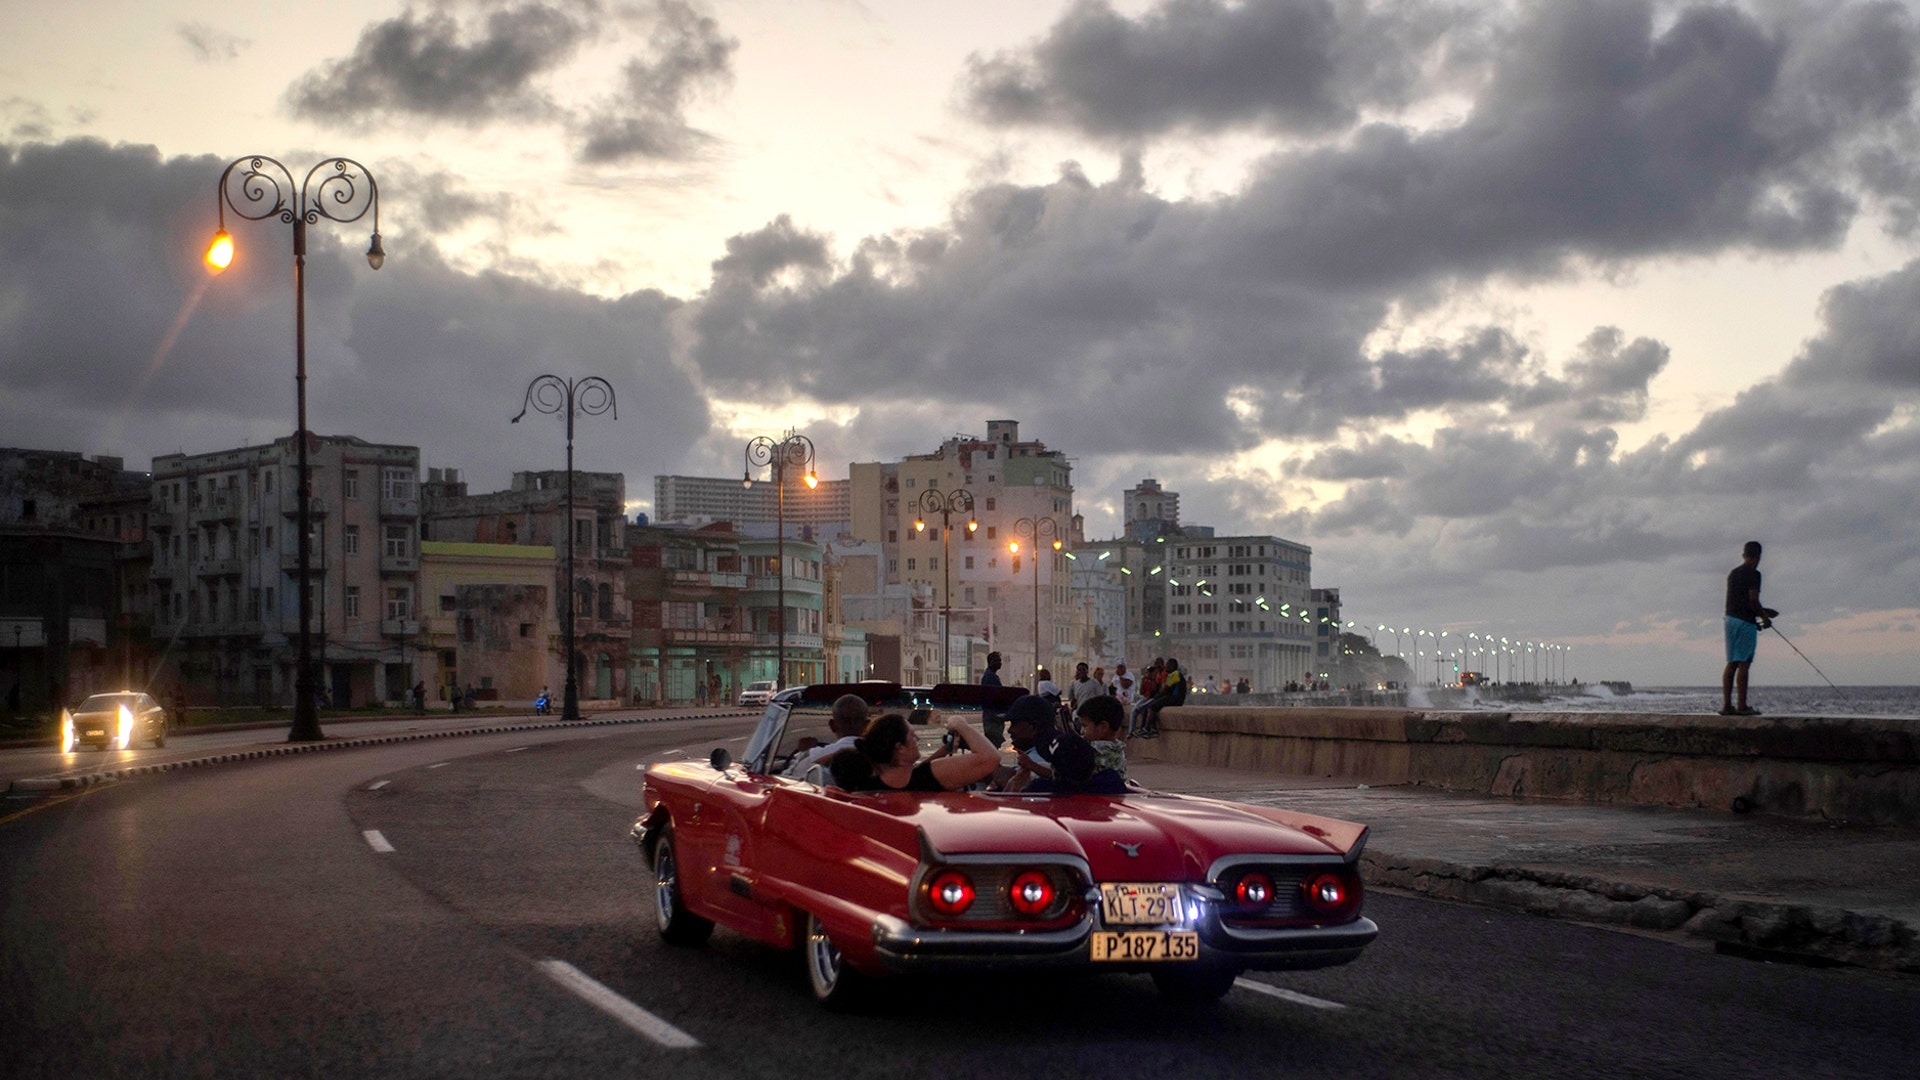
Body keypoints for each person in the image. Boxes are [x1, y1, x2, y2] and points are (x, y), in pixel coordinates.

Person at [833, 712, 1001, 792]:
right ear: (900, 747)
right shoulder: (929, 777)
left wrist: (944, 751)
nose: (918, 740)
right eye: (912, 736)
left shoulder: (864, 787)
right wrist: (959, 724)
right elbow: (990, 758)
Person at [1723, 540, 1779, 717]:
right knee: (1744, 663)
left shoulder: (1733, 573)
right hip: (1745, 623)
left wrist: (1764, 612)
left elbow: (1741, 601)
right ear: (1758, 556)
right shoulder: (1754, 574)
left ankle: (1726, 706)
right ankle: (1742, 706)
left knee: (1732, 663)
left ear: (1743, 555)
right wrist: (1764, 618)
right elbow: (1753, 600)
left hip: (1730, 620)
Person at [784, 693, 870, 778]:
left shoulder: (814, 757)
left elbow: (789, 781)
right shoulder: (880, 760)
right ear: (867, 725)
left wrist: (803, 753)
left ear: (832, 725)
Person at [1076, 694, 1128, 782]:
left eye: (1085, 726)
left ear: (1103, 727)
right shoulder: (1118, 748)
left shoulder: (1097, 752)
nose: (1082, 731)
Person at [1136, 658, 1186, 738]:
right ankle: (1152, 729)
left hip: (1174, 699)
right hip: (1176, 698)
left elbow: (1165, 689)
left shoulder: (1175, 674)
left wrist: (1156, 698)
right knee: (1154, 705)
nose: (1166, 666)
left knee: (1152, 707)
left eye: (1168, 665)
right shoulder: (1174, 675)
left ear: (1173, 666)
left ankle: (1147, 729)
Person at [979, 650, 1006, 748]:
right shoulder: (989, 677)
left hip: (994, 715)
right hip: (993, 715)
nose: (1000, 663)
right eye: (997, 661)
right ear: (991, 662)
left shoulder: (992, 676)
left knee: (994, 743)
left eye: (1000, 661)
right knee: (993, 743)